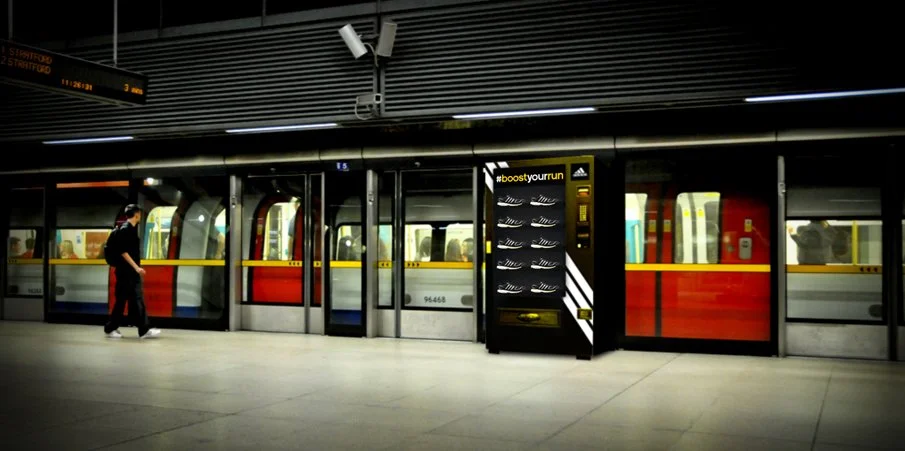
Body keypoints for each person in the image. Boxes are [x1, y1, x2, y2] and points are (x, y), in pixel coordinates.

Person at [104, 204, 161, 339]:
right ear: (136, 215)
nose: (140, 215)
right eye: (139, 213)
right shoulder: (126, 230)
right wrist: (136, 268)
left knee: (131, 300)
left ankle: (138, 329)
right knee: (131, 300)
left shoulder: (130, 229)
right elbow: (123, 252)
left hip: (128, 272)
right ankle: (139, 329)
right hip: (126, 273)